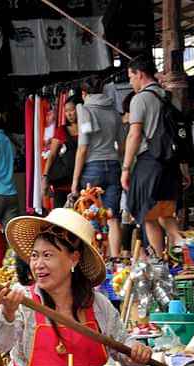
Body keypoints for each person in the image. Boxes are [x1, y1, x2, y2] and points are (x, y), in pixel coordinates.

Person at [0, 208, 152, 366]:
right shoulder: (24, 301)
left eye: (47, 255)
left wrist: (136, 351)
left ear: (74, 258)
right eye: (35, 256)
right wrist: (7, 314)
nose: (38, 264)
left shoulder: (97, 304)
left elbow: (123, 347)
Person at [122, 55, 190, 258]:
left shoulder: (140, 99)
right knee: (165, 216)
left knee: (148, 216)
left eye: (131, 76)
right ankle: (185, 251)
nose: (130, 82)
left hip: (149, 164)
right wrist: (183, 169)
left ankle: (160, 261)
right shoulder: (168, 96)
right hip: (170, 164)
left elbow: (134, 135)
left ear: (140, 74)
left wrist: (125, 168)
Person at [72, 76, 125, 258]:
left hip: (92, 167)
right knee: (112, 216)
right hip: (113, 165)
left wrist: (74, 180)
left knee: (90, 215)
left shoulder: (85, 110)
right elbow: (122, 145)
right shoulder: (114, 112)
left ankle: (94, 260)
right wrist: (124, 168)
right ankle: (116, 259)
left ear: (84, 93)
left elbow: (82, 147)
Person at [43, 96, 80, 209]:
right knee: (60, 218)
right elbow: (52, 155)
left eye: (72, 110)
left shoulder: (86, 129)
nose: (69, 114)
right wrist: (45, 176)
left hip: (80, 182)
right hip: (62, 183)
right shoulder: (61, 130)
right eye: (66, 111)